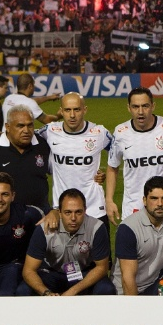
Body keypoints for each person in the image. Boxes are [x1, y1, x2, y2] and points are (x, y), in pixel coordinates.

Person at [106, 87, 163, 225]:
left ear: (153, 106)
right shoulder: (121, 132)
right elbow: (112, 167)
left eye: (145, 106)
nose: (140, 111)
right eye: (135, 106)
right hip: (133, 207)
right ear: (129, 108)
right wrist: (109, 200)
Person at [19, 188, 115, 296]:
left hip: (84, 273)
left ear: (85, 210)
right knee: (23, 290)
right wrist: (45, 292)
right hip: (52, 273)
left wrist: (73, 291)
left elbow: (102, 267)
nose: (73, 218)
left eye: (78, 212)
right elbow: (28, 271)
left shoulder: (96, 227)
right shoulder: (44, 229)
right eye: (68, 212)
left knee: (106, 289)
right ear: (59, 212)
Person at [37, 93, 113, 226]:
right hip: (62, 210)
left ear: (85, 110)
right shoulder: (50, 131)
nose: (72, 115)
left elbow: (121, 152)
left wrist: (107, 173)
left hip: (94, 208)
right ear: (61, 111)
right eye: (67, 110)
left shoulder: (99, 133)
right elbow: (23, 139)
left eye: (77, 109)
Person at [0, 106, 52, 212]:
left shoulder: (43, 145)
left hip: (40, 214)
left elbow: (59, 174)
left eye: (30, 125)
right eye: (20, 126)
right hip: (7, 218)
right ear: (7, 127)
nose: (26, 130)